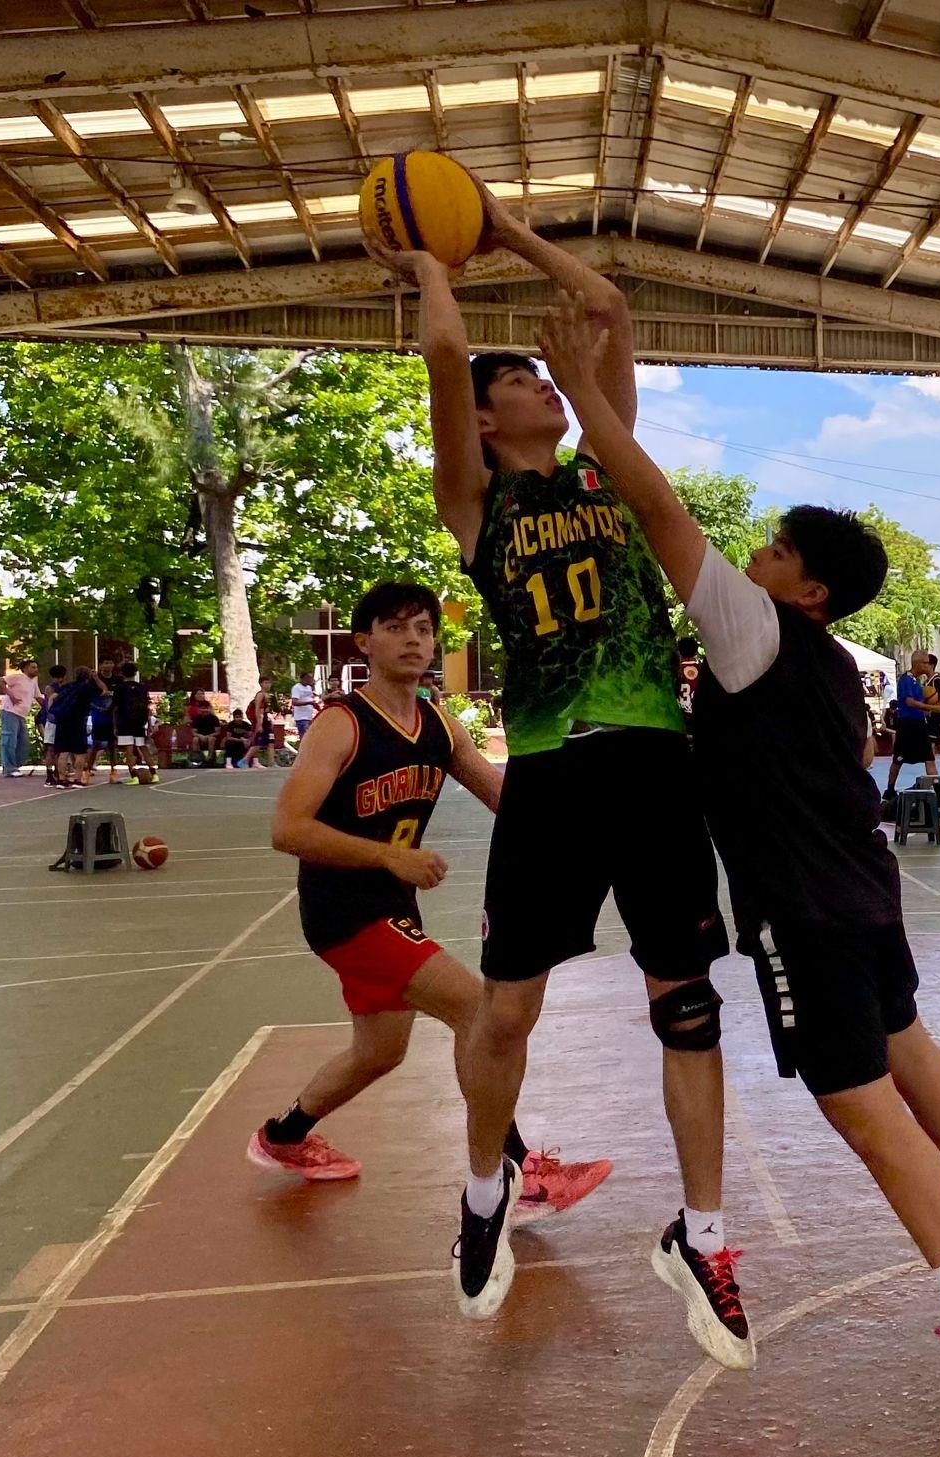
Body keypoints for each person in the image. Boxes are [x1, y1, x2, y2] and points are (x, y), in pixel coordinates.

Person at [537, 291, 940, 1437]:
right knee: (906, 1041)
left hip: (805, 908)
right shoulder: (827, 662)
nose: (746, 554)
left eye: (769, 549)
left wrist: (588, 394)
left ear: (803, 586)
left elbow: (656, 507)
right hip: (865, 888)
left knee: (856, 1101)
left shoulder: (753, 631)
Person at [375, 188, 744, 1365]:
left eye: (543, 380)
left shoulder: (603, 476)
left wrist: (511, 233)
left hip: (653, 765)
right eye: (519, 384)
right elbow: (442, 351)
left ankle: (705, 1230)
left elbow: (606, 307)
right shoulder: (477, 502)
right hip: (549, 770)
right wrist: (438, 257)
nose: (542, 384)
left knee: (686, 1001)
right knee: (510, 1006)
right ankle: (485, 1187)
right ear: (484, 424)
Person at [260, 580, 611, 1219]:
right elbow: (288, 828)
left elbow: (506, 799)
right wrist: (389, 855)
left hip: (393, 909)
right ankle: (517, 1175)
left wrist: (584, 820)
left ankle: (283, 1136)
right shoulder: (342, 724)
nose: (415, 639)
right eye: (396, 628)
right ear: (364, 642)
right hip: (346, 910)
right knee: (480, 1012)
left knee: (380, 1051)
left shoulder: (437, 724)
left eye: (424, 628)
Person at [886, 651, 936, 797]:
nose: (928, 666)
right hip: (907, 724)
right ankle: (890, 789)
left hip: (919, 723)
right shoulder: (906, 680)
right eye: (926, 663)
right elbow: (909, 702)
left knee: (929, 758)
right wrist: (930, 707)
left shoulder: (918, 681)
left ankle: (938, 792)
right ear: (918, 664)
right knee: (899, 758)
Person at [46, 666, 104, 788]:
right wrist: (96, 678)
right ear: (88, 676)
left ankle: (61, 780)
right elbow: (103, 691)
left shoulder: (66, 687)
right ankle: (78, 779)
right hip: (77, 721)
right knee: (79, 753)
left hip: (62, 721)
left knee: (63, 752)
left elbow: (54, 698)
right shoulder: (87, 688)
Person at [111, 662, 159, 785]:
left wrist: (115, 725)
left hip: (124, 722)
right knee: (143, 747)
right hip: (139, 722)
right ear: (135, 673)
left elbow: (115, 708)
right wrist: (147, 723)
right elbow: (147, 707)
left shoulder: (120, 688)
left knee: (129, 750)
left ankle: (134, 776)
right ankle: (154, 774)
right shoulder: (142, 688)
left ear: (122, 673)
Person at [0, 661, 40, 778]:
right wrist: (11, 695)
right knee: (9, 740)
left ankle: (15, 765)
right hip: (10, 711)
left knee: (23, 742)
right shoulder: (18, 677)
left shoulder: (33, 682)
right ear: (25, 668)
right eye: (32, 667)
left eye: (36, 667)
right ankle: (9, 768)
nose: (35, 669)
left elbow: (38, 697)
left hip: (22, 715)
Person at [39, 664, 68, 785]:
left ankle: (50, 773)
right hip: (58, 720)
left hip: (51, 720)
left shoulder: (49, 688)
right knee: (58, 748)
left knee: (50, 748)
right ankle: (54, 772)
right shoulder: (62, 688)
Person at [241, 675, 274, 770]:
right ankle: (244, 760)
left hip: (267, 720)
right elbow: (257, 709)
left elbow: (267, 710)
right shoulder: (260, 695)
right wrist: (259, 724)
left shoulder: (268, 696)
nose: (268, 685)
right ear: (261, 684)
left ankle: (271, 763)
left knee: (271, 742)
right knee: (259, 743)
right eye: (265, 683)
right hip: (260, 721)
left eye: (269, 683)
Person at [185, 690, 222, 766]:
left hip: (211, 737)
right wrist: (201, 736)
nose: (204, 710)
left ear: (209, 708)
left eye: (206, 708)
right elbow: (193, 731)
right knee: (195, 739)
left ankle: (210, 759)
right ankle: (197, 759)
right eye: (202, 708)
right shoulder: (197, 719)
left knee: (211, 739)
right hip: (200, 737)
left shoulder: (214, 718)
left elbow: (217, 731)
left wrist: (208, 736)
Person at [675, 636, 702, 733]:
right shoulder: (703, 670)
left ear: (679, 651)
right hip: (699, 716)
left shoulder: (676, 671)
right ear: (695, 651)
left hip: (680, 718)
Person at [289, 671, 318, 739]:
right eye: (309, 678)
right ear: (304, 678)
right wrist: (309, 703)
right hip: (301, 717)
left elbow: (309, 698)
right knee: (304, 737)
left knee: (310, 736)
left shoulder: (309, 687)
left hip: (309, 716)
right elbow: (295, 702)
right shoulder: (297, 688)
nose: (311, 680)